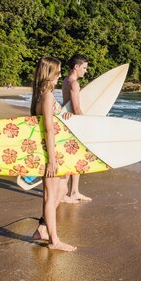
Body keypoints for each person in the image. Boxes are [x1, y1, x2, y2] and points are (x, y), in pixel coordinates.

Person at [30, 56, 77, 252]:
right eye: (57, 72)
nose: (59, 76)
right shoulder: (47, 96)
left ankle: (42, 229)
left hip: (53, 150)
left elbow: (50, 122)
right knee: (50, 196)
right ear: (49, 74)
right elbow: (48, 129)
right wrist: (51, 160)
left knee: (60, 190)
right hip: (49, 152)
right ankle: (54, 241)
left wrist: (63, 115)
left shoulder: (41, 95)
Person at [61, 54, 92, 203]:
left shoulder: (66, 81)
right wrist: (86, 123)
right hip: (73, 124)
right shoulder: (74, 84)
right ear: (76, 67)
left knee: (76, 158)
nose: (85, 71)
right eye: (84, 68)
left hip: (67, 121)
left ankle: (74, 191)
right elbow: (76, 108)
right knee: (71, 159)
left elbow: (66, 105)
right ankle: (63, 193)